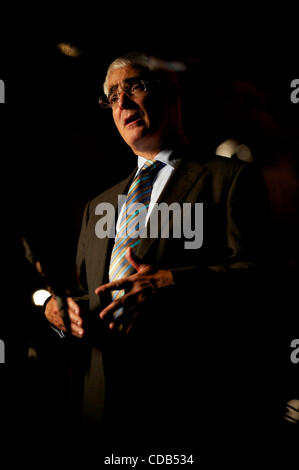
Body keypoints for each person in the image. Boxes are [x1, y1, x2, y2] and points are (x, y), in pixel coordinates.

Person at [44, 52, 275, 460]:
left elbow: (265, 279)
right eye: (111, 96)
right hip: (101, 412)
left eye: (133, 87)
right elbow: (93, 297)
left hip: (189, 410)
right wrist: (58, 311)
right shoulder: (100, 205)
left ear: (171, 96)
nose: (121, 103)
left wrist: (174, 283)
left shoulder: (229, 178)